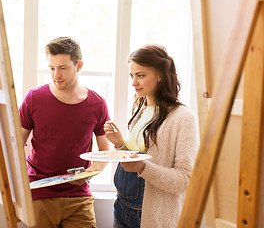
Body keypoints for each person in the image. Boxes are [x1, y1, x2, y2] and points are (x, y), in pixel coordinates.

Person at [19, 36, 110, 228]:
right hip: (38, 192)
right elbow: (15, 145)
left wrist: (91, 172)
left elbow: (105, 151)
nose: (56, 75)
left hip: (78, 196)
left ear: (79, 66)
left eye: (63, 68)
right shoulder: (34, 98)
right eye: (52, 68)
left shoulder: (97, 104)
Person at [104, 45, 199, 228]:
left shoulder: (183, 118)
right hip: (121, 207)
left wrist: (143, 168)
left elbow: (184, 180)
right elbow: (136, 158)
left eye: (140, 75)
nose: (133, 83)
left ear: (160, 76)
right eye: (132, 76)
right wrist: (120, 144)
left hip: (147, 213)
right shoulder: (142, 110)